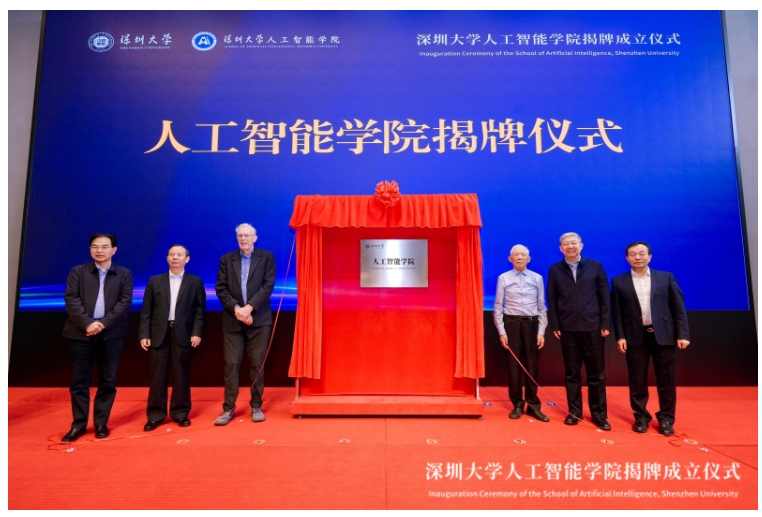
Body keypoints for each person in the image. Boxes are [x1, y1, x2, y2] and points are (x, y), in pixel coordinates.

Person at [611, 242, 690, 436]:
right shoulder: (619, 281)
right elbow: (617, 313)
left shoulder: (666, 277)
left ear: (650, 256)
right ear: (627, 258)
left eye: (641, 253)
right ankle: (641, 417)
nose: (637, 257)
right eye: (633, 254)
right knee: (637, 380)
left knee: (666, 380)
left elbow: (678, 309)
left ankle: (666, 419)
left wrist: (683, 334)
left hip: (664, 335)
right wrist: (620, 336)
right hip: (635, 336)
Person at [61, 233, 133, 442]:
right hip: (81, 333)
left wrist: (102, 324)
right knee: (79, 381)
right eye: (94, 246)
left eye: (104, 246)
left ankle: (101, 423)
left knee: (107, 380)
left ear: (114, 250)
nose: (99, 250)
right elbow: (71, 299)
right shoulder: (78, 271)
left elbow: (124, 302)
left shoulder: (124, 274)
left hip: (111, 334)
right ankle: (78, 425)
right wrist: (88, 323)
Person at [547, 232, 612, 430]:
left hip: (593, 328)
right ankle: (574, 412)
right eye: (566, 244)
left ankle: (599, 415)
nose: (570, 246)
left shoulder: (595, 266)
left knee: (596, 374)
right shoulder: (555, 269)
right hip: (567, 329)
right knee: (571, 374)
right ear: (560, 248)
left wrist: (605, 323)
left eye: (574, 243)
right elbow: (552, 298)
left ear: (581, 245)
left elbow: (605, 297)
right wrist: (556, 325)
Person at [139, 244, 206, 431]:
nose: (175, 257)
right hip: (158, 333)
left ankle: (180, 413)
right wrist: (144, 334)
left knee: (181, 375)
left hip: (183, 333)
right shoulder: (154, 281)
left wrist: (197, 332)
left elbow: (200, 311)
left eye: (179, 254)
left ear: (187, 259)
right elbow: (146, 310)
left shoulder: (195, 282)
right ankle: (155, 415)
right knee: (157, 375)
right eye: (172, 254)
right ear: (167, 258)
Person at [214, 223, 275, 425]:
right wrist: (238, 310)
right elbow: (221, 288)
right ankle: (228, 409)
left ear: (255, 238)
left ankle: (256, 405)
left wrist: (249, 308)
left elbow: (267, 286)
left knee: (257, 364)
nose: (243, 239)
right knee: (231, 365)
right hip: (233, 319)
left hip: (260, 319)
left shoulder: (266, 257)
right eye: (240, 235)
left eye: (247, 235)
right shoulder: (226, 259)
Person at [493, 245, 550, 422]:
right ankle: (517, 404)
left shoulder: (537, 278)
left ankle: (533, 405)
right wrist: (502, 332)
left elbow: (541, 306)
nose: (519, 257)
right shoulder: (503, 278)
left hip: (532, 325)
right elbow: (498, 306)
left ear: (528, 259)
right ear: (510, 259)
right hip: (511, 324)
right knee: (513, 366)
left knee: (532, 366)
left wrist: (541, 331)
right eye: (516, 255)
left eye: (523, 255)